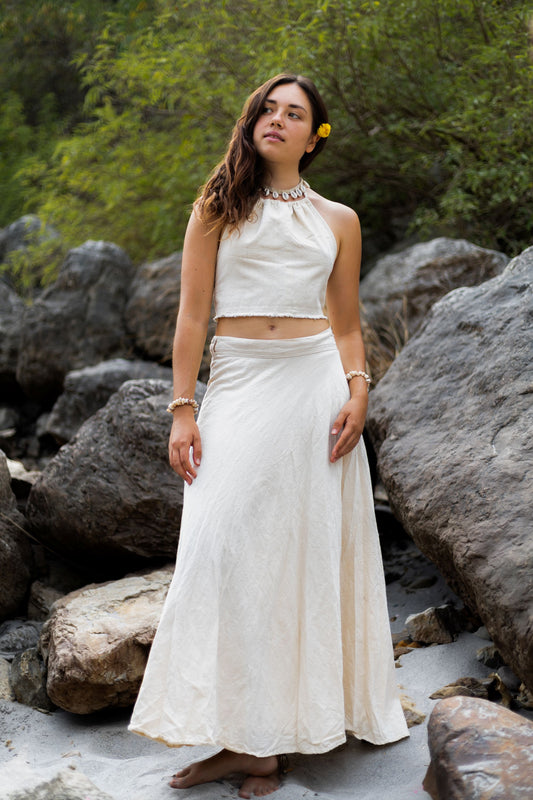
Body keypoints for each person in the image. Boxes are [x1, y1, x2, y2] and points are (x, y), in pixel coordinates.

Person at [128, 72, 409, 798]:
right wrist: (182, 409)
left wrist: (359, 391)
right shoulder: (217, 206)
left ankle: (264, 747)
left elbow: (347, 324)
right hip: (240, 384)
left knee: (298, 556)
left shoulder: (338, 219)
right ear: (252, 121)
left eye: (294, 113)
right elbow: (192, 317)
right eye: (268, 109)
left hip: (315, 389)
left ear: (313, 137)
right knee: (219, 548)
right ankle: (239, 734)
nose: (276, 120)